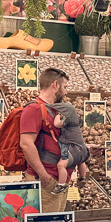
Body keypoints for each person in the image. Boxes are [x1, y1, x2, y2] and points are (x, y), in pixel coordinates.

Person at [20, 67, 70, 213]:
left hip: (57, 181)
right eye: (65, 87)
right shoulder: (34, 109)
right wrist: (43, 174)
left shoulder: (55, 110)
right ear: (55, 85)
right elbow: (26, 143)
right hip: (45, 181)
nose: (66, 92)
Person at [51, 100, 90, 194]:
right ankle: (82, 177)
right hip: (83, 149)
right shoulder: (77, 120)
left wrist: (58, 115)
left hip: (73, 149)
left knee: (61, 165)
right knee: (80, 162)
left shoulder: (68, 120)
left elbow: (56, 124)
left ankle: (61, 184)